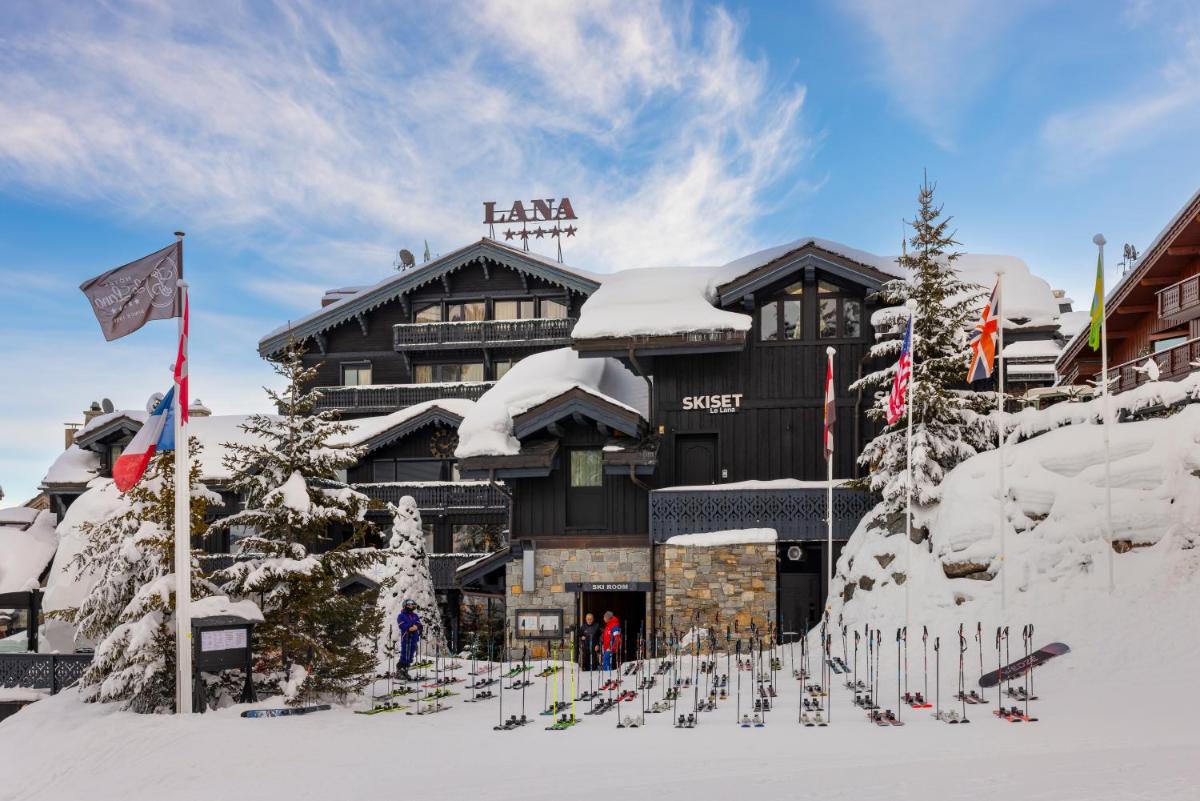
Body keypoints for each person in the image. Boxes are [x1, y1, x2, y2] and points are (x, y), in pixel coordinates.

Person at [396, 599, 423, 679]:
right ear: (405, 606)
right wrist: (410, 627)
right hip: (406, 636)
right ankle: (400, 670)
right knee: (405, 653)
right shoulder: (401, 615)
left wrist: (417, 627)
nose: (411, 606)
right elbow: (402, 625)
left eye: (412, 605)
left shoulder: (415, 615)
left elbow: (419, 624)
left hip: (414, 637)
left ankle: (406, 670)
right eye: (409, 605)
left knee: (411, 654)